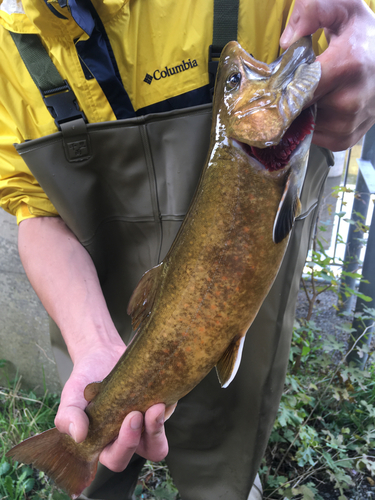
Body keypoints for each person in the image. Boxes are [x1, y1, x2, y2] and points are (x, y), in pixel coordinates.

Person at [1, 0, 375, 499]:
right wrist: (90, 341)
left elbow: (353, 28)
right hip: (100, 329)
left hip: (243, 345)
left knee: (225, 485)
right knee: (97, 459)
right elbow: (35, 209)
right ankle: (77, 456)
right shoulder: (9, 43)